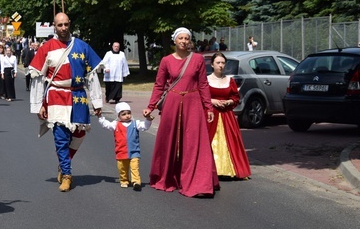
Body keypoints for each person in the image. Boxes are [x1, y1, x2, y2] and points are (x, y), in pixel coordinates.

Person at [28, 12, 103, 192]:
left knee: (79, 134)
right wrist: (38, 105)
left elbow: (91, 75)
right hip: (56, 95)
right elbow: (38, 77)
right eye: (59, 25)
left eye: (65, 24)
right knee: (61, 138)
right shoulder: (47, 47)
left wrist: (97, 101)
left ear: (70, 24)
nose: (63, 28)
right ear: (54, 26)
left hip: (78, 95)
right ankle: (67, 175)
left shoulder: (82, 46)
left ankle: (63, 164)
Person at [143, 27, 219, 198]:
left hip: (193, 104)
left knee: (194, 143)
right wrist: (151, 105)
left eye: (187, 38)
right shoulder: (166, 61)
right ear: (175, 41)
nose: (184, 41)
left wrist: (208, 107)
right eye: (181, 38)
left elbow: (203, 85)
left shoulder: (198, 59)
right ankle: (166, 177)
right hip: (172, 103)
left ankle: (198, 182)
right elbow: (159, 85)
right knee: (168, 141)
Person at [207, 52, 251, 179]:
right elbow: (200, 96)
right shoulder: (206, 80)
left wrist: (228, 101)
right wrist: (212, 101)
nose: (220, 65)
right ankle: (211, 170)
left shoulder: (229, 80)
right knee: (209, 141)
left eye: (222, 63)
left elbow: (235, 97)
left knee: (231, 141)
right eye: (218, 63)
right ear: (212, 65)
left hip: (227, 115)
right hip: (211, 115)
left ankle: (231, 168)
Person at [97, 101, 152, 191]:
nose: (127, 116)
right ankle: (124, 180)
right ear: (118, 116)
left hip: (134, 151)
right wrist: (100, 117)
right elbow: (106, 125)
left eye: (129, 113)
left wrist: (148, 119)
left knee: (134, 167)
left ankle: (136, 182)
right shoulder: (115, 124)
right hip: (121, 152)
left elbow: (145, 126)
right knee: (122, 168)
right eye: (124, 114)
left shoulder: (135, 123)